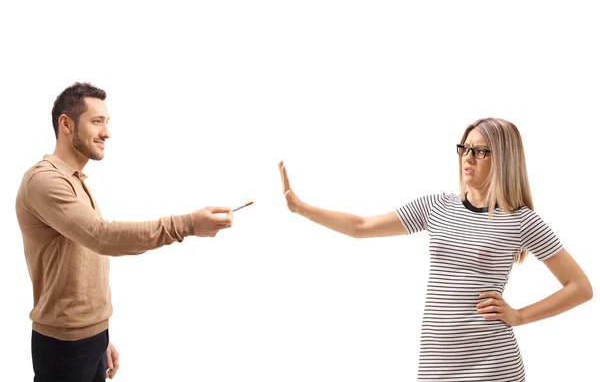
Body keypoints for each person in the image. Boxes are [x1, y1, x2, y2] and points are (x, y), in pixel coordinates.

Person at [278, 117, 593, 381]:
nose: (468, 157)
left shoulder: (521, 220)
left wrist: (519, 315)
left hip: (493, 367)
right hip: (436, 366)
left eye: (481, 151)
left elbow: (580, 287)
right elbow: (361, 227)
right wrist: (302, 208)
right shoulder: (437, 207)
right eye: (465, 148)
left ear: (504, 159)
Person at [15, 82, 234, 381]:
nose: (107, 132)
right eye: (97, 121)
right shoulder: (44, 181)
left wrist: (102, 336)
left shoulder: (75, 180)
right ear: (65, 124)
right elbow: (101, 236)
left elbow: (82, 263)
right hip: (64, 346)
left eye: (106, 122)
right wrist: (188, 225)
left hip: (91, 338)